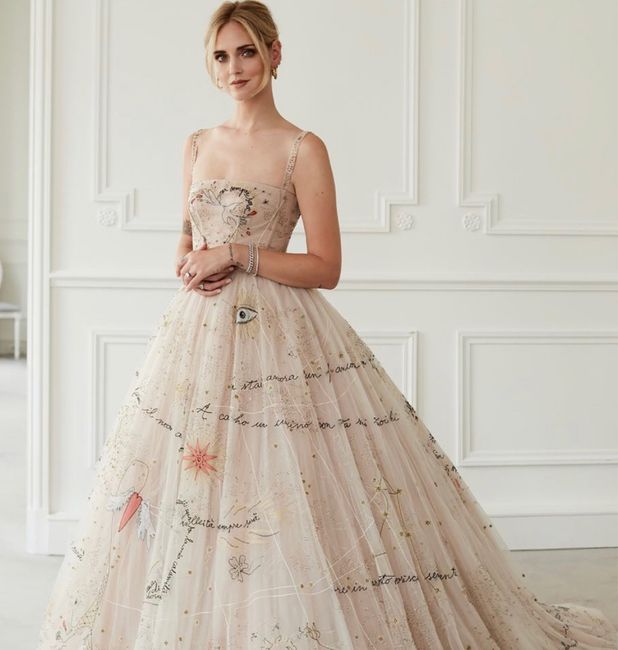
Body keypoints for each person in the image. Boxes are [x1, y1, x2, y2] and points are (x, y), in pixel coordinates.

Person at [37, 1, 617, 648]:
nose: (234, 68)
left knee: (287, 480)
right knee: (191, 483)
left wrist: (236, 254)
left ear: (275, 53)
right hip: (197, 336)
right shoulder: (197, 144)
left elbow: (326, 266)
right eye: (221, 56)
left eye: (247, 51)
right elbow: (185, 234)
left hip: (280, 333)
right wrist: (187, 261)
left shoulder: (302, 149)